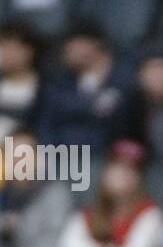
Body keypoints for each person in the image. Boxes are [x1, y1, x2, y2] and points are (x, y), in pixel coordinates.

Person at [59, 140, 163, 247]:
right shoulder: (89, 212)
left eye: (130, 170)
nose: (121, 175)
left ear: (139, 178)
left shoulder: (150, 213)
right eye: (116, 167)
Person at [35, 21, 136, 156]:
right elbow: (46, 124)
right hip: (61, 157)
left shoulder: (124, 80)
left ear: (93, 44)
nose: (65, 52)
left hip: (106, 158)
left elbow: (126, 124)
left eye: (71, 46)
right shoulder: (60, 83)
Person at [0, 129, 73, 247]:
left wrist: (20, 227)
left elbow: (52, 239)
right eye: (13, 154)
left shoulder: (54, 191)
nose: (19, 160)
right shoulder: (3, 190)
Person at [0, 22, 44, 138]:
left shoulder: (45, 89)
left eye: (12, 48)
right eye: (2, 47)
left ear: (29, 51)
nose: (5, 54)